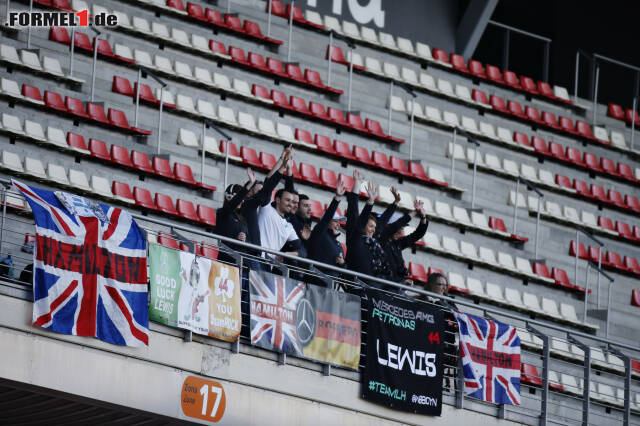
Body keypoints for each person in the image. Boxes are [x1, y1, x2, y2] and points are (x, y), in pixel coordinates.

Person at [215, 146, 292, 264]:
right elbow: (232, 205)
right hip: (228, 261)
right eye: (255, 191)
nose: (241, 201)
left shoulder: (248, 208)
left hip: (250, 258)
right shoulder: (223, 212)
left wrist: (282, 166)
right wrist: (248, 185)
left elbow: (268, 187)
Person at [345, 178, 393, 286]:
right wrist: (370, 201)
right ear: (363, 226)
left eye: (374, 227)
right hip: (357, 287)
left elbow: (383, 221)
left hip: (373, 287)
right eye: (371, 226)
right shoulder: (355, 238)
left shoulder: (373, 244)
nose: (374, 230)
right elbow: (353, 208)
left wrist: (395, 204)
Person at [380, 198, 429, 285]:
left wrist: (423, 217)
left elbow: (417, 234)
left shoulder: (398, 243)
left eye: (402, 229)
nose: (400, 232)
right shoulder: (381, 240)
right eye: (398, 228)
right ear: (389, 227)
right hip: (384, 286)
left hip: (397, 287)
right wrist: (414, 212)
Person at [307, 180, 346, 271]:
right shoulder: (319, 234)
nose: (338, 224)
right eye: (335, 221)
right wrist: (337, 199)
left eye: (339, 222)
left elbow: (344, 270)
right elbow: (326, 219)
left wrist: (342, 263)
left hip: (330, 283)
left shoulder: (338, 245)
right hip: (315, 280)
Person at [257, 185, 303, 260]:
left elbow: (302, 251)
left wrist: (287, 254)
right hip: (256, 257)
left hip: (269, 264)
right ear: (278, 200)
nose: (291, 204)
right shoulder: (266, 209)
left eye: (292, 201)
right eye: (287, 200)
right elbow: (268, 186)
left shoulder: (289, 227)